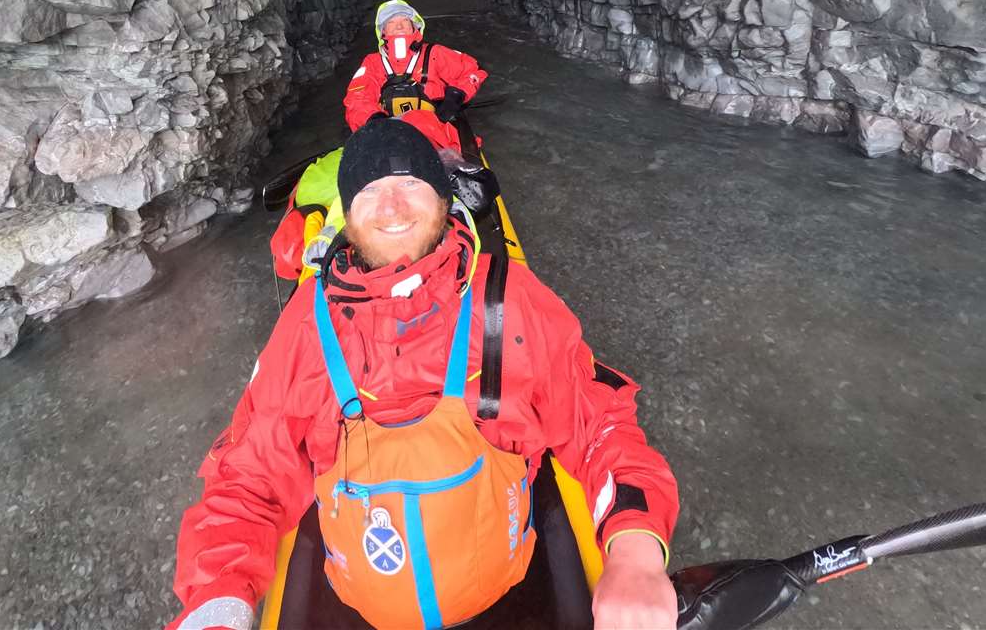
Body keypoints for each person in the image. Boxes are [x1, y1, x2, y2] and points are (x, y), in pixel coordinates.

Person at [171, 119, 679, 630]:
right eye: (370, 190)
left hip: (501, 592)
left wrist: (635, 550)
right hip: (356, 606)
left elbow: (599, 422)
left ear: (443, 201)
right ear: (347, 215)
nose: (391, 206)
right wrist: (218, 604)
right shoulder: (307, 325)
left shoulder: (507, 301)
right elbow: (247, 479)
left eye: (410, 183)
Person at [343, 0, 487, 131]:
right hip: (389, 132)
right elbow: (357, 99)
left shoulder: (434, 53)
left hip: (436, 128)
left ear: (414, 26)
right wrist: (374, 120)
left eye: (405, 20)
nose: (399, 25)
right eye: (391, 22)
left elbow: (474, 70)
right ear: (383, 31)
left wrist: (455, 96)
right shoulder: (372, 62)